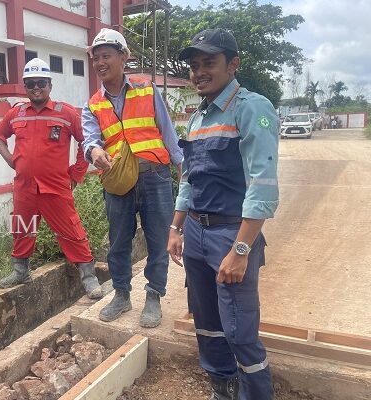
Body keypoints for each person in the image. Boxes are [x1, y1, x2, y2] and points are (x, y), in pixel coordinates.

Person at [168, 28, 279, 400]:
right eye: (194, 66)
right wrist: (175, 227)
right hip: (196, 233)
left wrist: (241, 251)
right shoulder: (198, 117)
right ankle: (223, 388)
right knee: (207, 324)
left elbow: (263, 186)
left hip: (231, 234)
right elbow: (189, 178)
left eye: (209, 63)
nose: (199, 72)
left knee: (239, 331)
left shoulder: (251, 108)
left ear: (233, 64)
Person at [82, 28, 183, 328]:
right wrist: (94, 151)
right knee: (118, 242)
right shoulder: (93, 105)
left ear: (124, 57)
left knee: (158, 239)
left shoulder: (146, 88)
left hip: (155, 176)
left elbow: (167, 130)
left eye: (106, 56)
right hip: (117, 180)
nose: (100, 63)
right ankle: (121, 294)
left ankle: (153, 296)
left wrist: (182, 168)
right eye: (96, 58)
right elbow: (89, 140)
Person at [0, 58, 103, 299]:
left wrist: (77, 172)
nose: (36, 88)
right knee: (22, 228)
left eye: (41, 83)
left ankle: (89, 277)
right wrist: (11, 160)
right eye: (30, 84)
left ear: (50, 85)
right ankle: (20, 271)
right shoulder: (16, 113)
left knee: (72, 230)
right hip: (24, 187)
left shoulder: (66, 113)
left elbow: (86, 141)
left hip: (56, 187)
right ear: (25, 87)